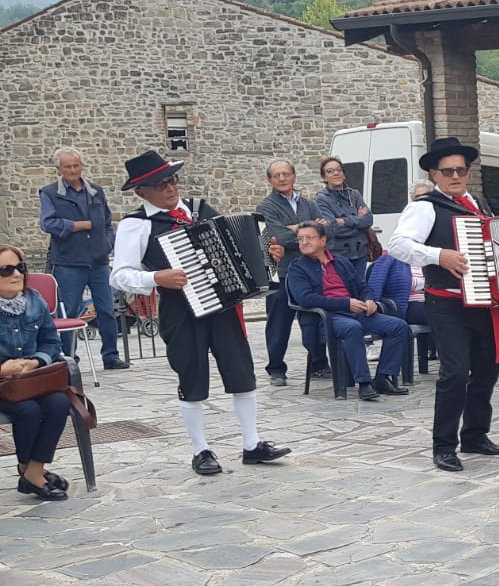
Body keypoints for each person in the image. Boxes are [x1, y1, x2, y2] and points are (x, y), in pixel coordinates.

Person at [110, 151, 291, 475]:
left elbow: (238, 248)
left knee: (241, 373)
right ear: (141, 192)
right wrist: (156, 278)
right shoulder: (136, 224)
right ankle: (201, 450)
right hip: (180, 310)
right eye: (160, 184)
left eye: (172, 180)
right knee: (191, 377)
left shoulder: (199, 210)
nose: (170, 187)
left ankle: (252, 443)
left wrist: (269, 256)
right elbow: (119, 275)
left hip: (224, 306)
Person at [389, 137, 499, 472]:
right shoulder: (425, 207)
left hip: (484, 303)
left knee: (486, 372)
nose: (456, 176)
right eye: (448, 171)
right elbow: (397, 245)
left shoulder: (480, 205)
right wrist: (438, 255)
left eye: (461, 170)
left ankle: (475, 434)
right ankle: (444, 445)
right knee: (455, 374)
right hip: (446, 303)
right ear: (434, 174)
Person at [284, 223, 411, 402]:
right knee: (352, 328)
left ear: (323, 240)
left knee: (398, 326)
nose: (304, 242)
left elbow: (362, 286)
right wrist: (346, 304)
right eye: (300, 239)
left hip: (356, 312)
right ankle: (364, 383)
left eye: (309, 238)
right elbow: (306, 299)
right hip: (326, 318)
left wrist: (369, 299)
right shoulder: (297, 268)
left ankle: (383, 377)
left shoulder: (340, 262)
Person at [38, 147, 128, 371]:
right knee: (69, 311)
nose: (73, 170)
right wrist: (79, 225)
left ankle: (111, 356)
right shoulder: (50, 193)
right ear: (58, 169)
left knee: (107, 310)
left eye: (76, 165)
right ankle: (69, 359)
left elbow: (107, 222)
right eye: (67, 166)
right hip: (68, 262)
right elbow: (48, 223)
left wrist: (107, 243)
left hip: (98, 261)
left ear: (82, 166)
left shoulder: (96, 191)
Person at [0, 245, 71, 501]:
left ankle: (33, 470)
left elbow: (51, 342)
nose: (16, 274)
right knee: (28, 410)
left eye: (20, 267)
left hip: (29, 380)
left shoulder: (34, 300)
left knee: (59, 403)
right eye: (6, 270)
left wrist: (35, 362)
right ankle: (30, 472)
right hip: (2, 384)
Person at [258, 160, 330, 385]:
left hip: (310, 271)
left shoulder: (309, 204)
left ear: (294, 176)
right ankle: (276, 369)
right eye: (276, 175)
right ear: (270, 180)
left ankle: (319, 364)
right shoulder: (265, 207)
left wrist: (296, 229)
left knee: (314, 317)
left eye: (286, 174)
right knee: (279, 322)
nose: (282, 178)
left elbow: (323, 232)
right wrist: (307, 230)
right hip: (280, 271)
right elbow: (276, 237)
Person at [314, 156, 377, 276]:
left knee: (360, 286)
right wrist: (358, 222)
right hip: (338, 255)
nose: (336, 173)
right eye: (330, 171)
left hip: (360, 253)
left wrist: (344, 221)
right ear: (324, 177)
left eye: (339, 170)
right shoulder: (321, 199)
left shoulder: (354, 194)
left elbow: (369, 220)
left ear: (344, 174)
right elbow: (332, 228)